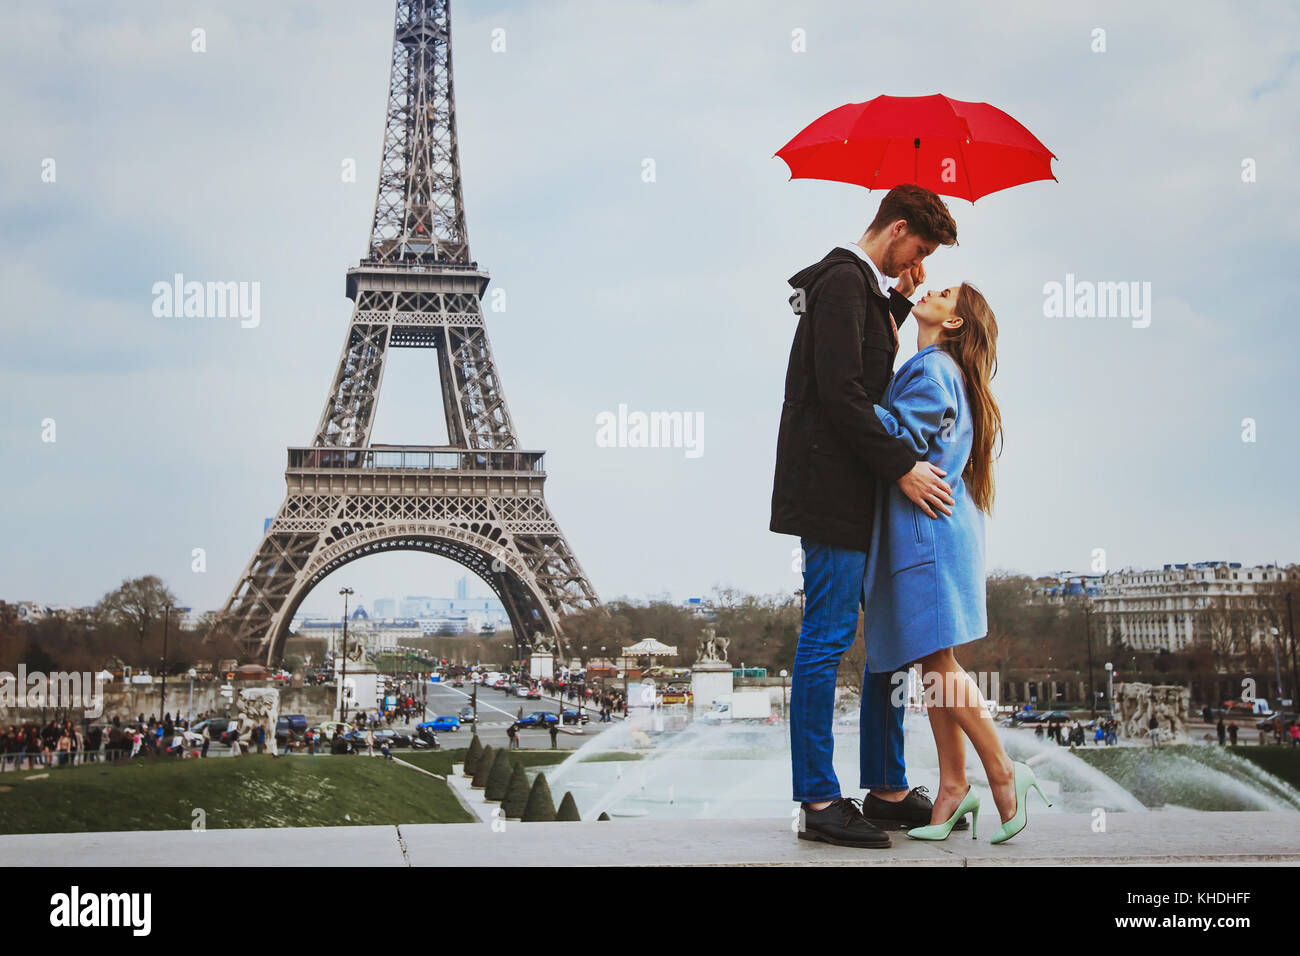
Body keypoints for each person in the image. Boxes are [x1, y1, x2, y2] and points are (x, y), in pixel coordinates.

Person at [772, 185, 960, 849]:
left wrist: (904, 299)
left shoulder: (861, 289)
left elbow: (867, 375)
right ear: (899, 228)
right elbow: (842, 392)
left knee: (884, 639)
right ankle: (820, 800)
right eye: (922, 248)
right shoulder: (843, 283)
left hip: (856, 488)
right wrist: (905, 466)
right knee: (826, 639)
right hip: (832, 491)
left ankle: (883, 789)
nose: (924, 259)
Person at [863, 279, 1045, 845]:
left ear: (954, 321)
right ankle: (951, 786)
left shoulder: (931, 370)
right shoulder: (941, 370)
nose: (932, 291)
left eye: (944, 292)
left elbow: (904, 440)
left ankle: (1003, 769)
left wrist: (852, 401)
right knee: (932, 662)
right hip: (936, 534)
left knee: (938, 665)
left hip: (926, 539)